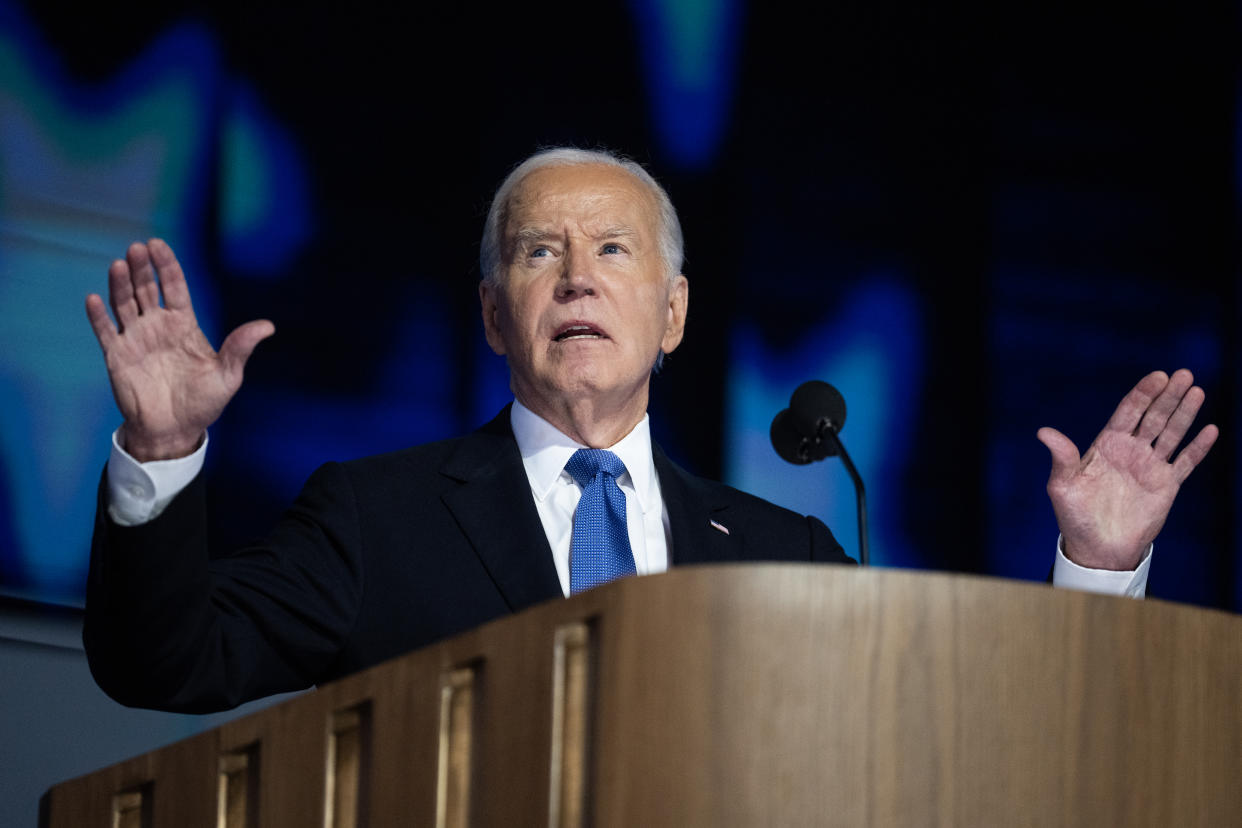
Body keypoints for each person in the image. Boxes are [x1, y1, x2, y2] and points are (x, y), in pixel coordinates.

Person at [82, 148, 1218, 713]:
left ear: (672, 314)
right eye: (539, 252)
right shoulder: (373, 519)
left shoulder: (789, 557)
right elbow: (163, 661)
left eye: (614, 252)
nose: (578, 276)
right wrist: (162, 457)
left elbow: (958, 756)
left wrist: (1099, 572)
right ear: (492, 314)